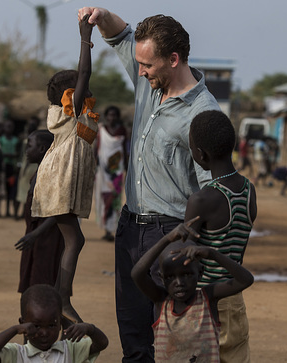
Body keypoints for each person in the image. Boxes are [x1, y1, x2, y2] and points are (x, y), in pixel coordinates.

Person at [77, 8, 219, 361]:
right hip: (129, 229)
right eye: (139, 63)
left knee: (168, 336)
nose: (139, 72)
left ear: (173, 59)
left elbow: (210, 193)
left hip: (171, 235)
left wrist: (188, 242)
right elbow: (120, 36)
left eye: (147, 65)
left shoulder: (204, 114)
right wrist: (100, 15)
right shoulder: (149, 78)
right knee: (133, 335)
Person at [30, 15, 97, 324]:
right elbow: (85, 70)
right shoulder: (70, 111)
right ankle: (64, 299)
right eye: (81, 85)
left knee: (74, 239)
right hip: (60, 180)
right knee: (74, 241)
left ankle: (60, 296)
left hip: (62, 178)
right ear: (70, 92)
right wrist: (86, 36)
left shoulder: (79, 115)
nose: (86, 86)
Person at [185, 110, 257, 362]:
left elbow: (186, 260)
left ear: (200, 154)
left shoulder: (201, 199)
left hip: (204, 301)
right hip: (234, 299)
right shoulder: (249, 191)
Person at [131, 219, 254, 362]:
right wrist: (166, 239)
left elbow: (246, 280)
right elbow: (137, 274)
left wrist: (211, 253)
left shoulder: (208, 298)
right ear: (162, 279)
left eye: (187, 275)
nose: (179, 283)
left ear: (200, 273)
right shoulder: (161, 301)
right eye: (170, 277)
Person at [0, 284, 108, 363]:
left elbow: (101, 343)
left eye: (52, 325)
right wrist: (14, 330)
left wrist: (89, 328)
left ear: (60, 324)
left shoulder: (70, 350)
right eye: (36, 326)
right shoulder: (17, 353)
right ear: (22, 324)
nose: (44, 333)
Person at [14, 130, 65, 296]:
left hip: (46, 237)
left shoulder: (51, 174)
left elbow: (60, 211)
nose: (26, 151)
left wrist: (35, 234)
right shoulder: (38, 172)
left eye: (30, 146)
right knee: (30, 282)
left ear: (42, 148)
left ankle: (45, 319)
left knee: (42, 284)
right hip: (34, 236)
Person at [94, 105, 128, 242]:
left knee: (115, 199)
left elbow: (125, 150)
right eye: (109, 115)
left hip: (117, 171)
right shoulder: (101, 130)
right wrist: (94, 164)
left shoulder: (122, 131)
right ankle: (107, 230)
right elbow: (96, 147)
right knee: (104, 198)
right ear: (106, 116)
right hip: (103, 170)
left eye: (114, 115)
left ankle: (113, 228)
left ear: (117, 117)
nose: (111, 117)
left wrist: (126, 166)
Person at [16, 116, 42, 219]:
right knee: (28, 190)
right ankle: (23, 213)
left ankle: (17, 213)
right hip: (34, 167)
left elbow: (25, 157)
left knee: (21, 191)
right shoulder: (36, 140)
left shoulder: (28, 141)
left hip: (26, 167)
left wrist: (23, 169)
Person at [0, 119, 21, 219]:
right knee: (2, 188)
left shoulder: (16, 140)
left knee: (10, 189)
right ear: (4, 128)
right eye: (7, 126)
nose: (9, 128)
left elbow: (17, 154)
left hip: (11, 167)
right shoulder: (1, 140)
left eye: (11, 126)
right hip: (3, 166)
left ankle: (8, 210)